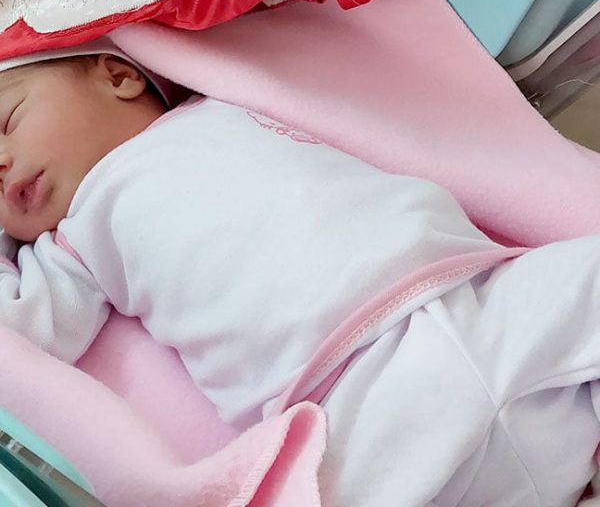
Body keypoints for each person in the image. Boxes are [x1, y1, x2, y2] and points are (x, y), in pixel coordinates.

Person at [0, 39, 599, 507]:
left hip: (479, 298)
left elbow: (323, 67)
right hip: (354, 400)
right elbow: (21, 334)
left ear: (118, 76)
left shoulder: (229, 96)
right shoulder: (73, 246)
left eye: (8, 122)